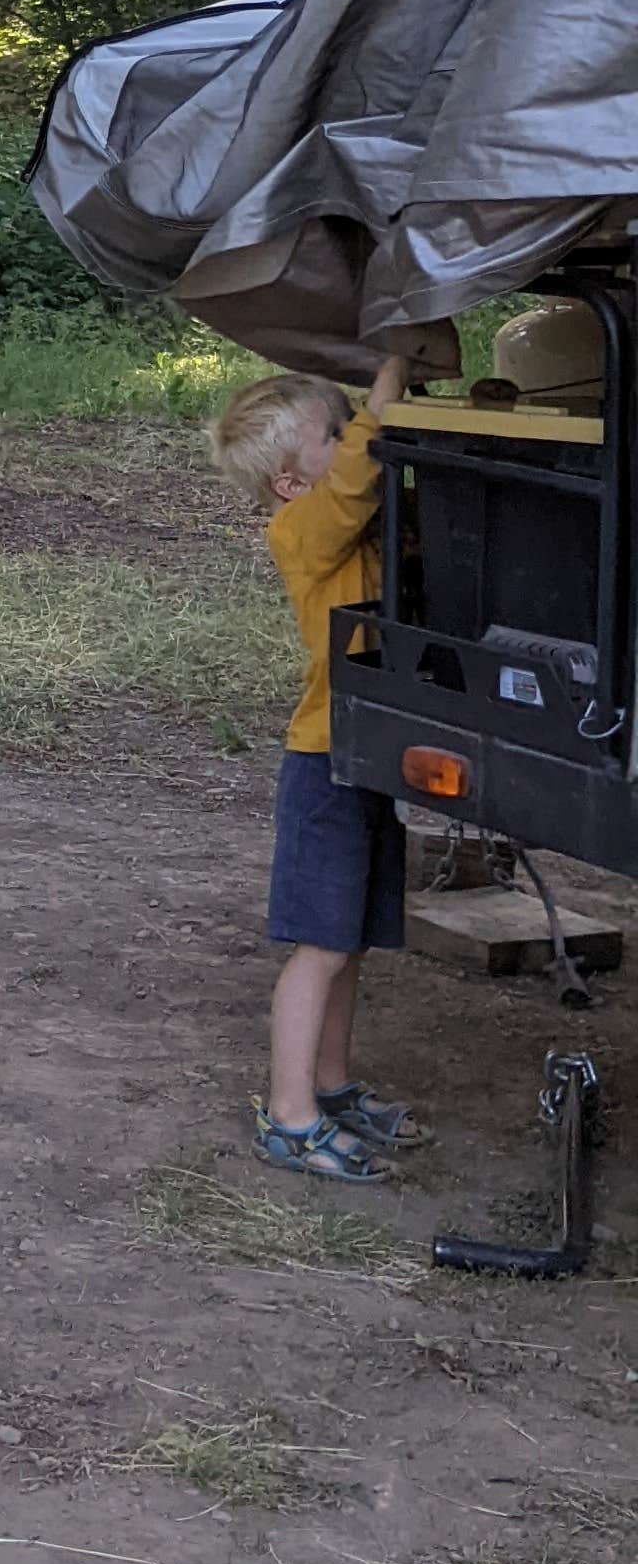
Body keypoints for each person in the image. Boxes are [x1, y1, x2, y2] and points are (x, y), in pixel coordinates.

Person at [210, 334, 450, 1182]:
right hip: (322, 763)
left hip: (366, 756)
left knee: (346, 941)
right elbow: (358, 476)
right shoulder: (302, 528)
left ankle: (332, 1086)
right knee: (317, 945)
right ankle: (289, 1116)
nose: (356, 436)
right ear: (291, 481)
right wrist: (392, 375)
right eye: (336, 430)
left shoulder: (354, 526)